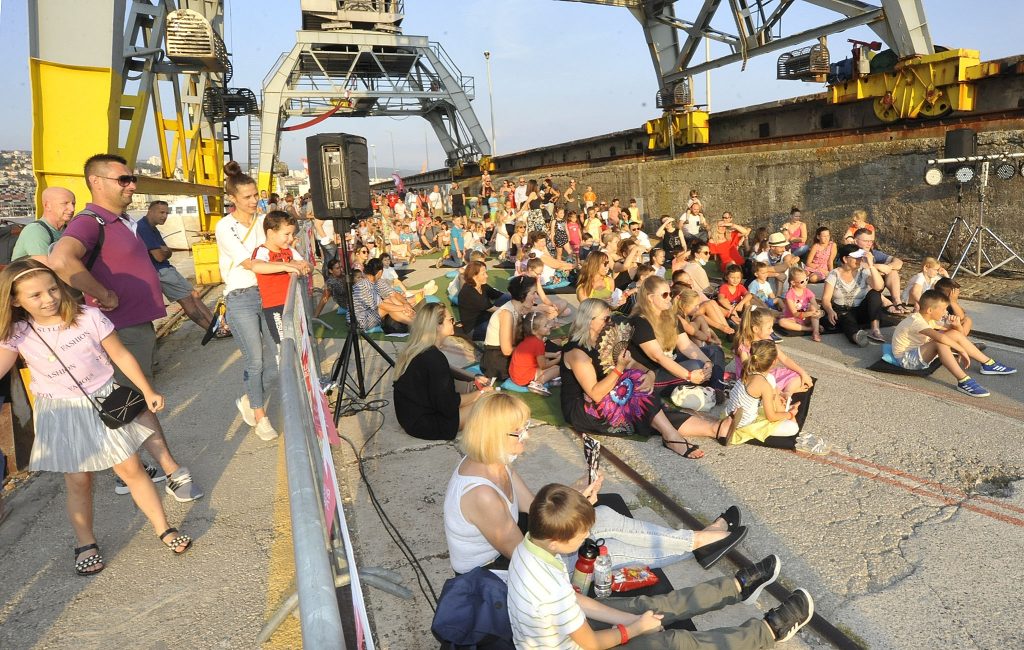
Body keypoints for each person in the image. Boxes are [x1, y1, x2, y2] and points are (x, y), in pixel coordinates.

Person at [0, 261, 194, 575]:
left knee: (131, 469)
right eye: (35, 295)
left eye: (52, 289)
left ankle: (163, 527)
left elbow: (120, 354)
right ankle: (85, 542)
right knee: (78, 480)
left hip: (104, 400)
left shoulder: (88, 317)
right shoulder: (17, 334)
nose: (48, 299)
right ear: (15, 301)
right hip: (61, 412)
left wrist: (146, 390)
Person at [445, 393, 746, 576]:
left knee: (599, 520)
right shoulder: (481, 493)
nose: (526, 435)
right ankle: (699, 544)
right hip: (496, 573)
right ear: (493, 435)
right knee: (603, 552)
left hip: (514, 553)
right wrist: (572, 514)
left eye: (525, 427)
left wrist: (574, 492)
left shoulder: (494, 460)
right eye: (518, 431)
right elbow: (522, 555)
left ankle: (697, 542)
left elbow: (532, 505)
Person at [48, 153, 202, 500]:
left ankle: (128, 468)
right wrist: (102, 292)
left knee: (125, 400)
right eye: (124, 180)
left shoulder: (120, 221)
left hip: (132, 324)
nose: (132, 185)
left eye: (133, 179)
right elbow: (61, 259)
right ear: (96, 182)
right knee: (135, 399)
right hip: (120, 328)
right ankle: (171, 470)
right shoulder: (91, 222)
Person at [507, 483, 815, 649]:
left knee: (647, 605)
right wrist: (635, 629)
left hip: (568, 633)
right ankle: (767, 633)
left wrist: (633, 617)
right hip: (583, 645)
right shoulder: (545, 586)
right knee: (674, 642)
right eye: (581, 536)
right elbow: (591, 644)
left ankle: (735, 589)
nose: (587, 538)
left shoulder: (532, 546)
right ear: (557, 542)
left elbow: (577, 601)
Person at [561, 299, 728, 460]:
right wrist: (620, 368)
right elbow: (595, 393)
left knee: (648, 403)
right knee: (640, 397)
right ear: (590, 321)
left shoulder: (605, 339)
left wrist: (649, 374)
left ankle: (710, 429)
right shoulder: (577, 352)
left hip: (610, 394)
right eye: (606, 318)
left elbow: (632, 362)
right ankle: (689, 434)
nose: (610, 322)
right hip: (585, 409)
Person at [214, 162, 281, 441]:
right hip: (240, 297)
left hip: (267, 293)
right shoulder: (224, 226)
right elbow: (248, 262)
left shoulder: (264, 219)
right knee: (255, 360)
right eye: (247, 197)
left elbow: (280, 246)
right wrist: (287, 267)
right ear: (233, 199)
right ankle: (259, 414)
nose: (254, 200)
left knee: (277, 360)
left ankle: (247, 398)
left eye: (256, 195)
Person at [392, 303, 493, 440]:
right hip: (426, 424)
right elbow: (449, 404)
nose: (453, 323)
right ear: (438, 326)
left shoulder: (418, 349)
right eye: (450, 320)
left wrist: (473, 377)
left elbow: (447, 369)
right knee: (489, 403)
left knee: (472, 393)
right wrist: (480, 394)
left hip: (409, 417)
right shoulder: (434, 358)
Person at [890, 290, 1015, 397]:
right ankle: (963, 380)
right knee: (939, 342)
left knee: (951, 335)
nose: (945, 313)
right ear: (929, 310)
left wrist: (956, 325)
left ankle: (988, 364)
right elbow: (941, 338)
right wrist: (961, 350)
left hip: (919, 353)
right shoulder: (916, 321)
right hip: (906, 359)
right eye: (943, 309)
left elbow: (958, 335)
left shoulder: (929, 319)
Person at [722, 340, 827, 454]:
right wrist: (791, 413)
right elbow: (772, 416)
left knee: (770, 407)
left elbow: (775, 397)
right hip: (742, 424)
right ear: (774, 362)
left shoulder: (748, 370)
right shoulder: (765, 382)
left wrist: (780, 396)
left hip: (727, 413)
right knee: (793, 428)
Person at [629, 276, 725, 390]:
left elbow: (686, 346)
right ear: (650, 298)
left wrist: (708, 363)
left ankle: (717, 389)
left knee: (714, 351)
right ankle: (712, 387)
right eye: (665, 295)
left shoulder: (670, 317)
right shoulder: (640, 321)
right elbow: (658, 357)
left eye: (670, 293)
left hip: (671, 361)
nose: (669, 298)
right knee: (697, 366)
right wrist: (689, 376)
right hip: (652, 374)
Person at [135, 200, 215, 331]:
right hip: (161, 272)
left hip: (167, 269)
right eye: (161, 212)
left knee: (194, 295)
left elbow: (166, 251)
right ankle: (211, 329)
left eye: (166, 213)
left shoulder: (152, 228)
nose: (164, 216)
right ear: (150, 211)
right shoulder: (143, 228)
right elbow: (160, 256)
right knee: (187, 302)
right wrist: (165, 251)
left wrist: (165, 251)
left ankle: (215, 325)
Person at [251, 211, 312, 344]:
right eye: (287, 234)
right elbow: (256, 266)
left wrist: (304, 265)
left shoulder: (289, 250)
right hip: (275, 306)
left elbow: (308, 265)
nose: (291, 238)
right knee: (284, 346)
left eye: (292, 234)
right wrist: (286, 266)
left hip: (295, 304)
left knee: (302, 343)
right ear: (270, 233)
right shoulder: (262, 251)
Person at [821, 244, 886, 347]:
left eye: (861, 258)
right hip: (841, 311)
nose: (859, 260)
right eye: (856, 258)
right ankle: (856, 336)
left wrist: (871, 266)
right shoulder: (834, 274)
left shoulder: (864, 272)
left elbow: (879, 286)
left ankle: (875, 329)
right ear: (845, 259)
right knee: (846, 319)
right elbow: (825, 299)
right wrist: (829, 311)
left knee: (875, 294)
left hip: (860, 311)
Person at [481, 275, 535, 382]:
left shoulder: (518, 308)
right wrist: (530, 350)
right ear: (522, 295)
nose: (536, 297)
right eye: (533, 293)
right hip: (497, 360)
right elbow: (506, 350)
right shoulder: (507, 314)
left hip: (506, 354)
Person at [352, 257, 414, 333]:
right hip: (358, 321)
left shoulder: (377, 281)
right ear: (380, 272)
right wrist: (404, 307)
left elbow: (393, 294)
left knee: (390, 299)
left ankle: (413, 318)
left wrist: (406, 304)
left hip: (368, 313)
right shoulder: (365, 285)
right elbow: (382, 306)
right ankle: (415, 324)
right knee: (388, 306)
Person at [852, 227, 908, 312]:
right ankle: (886, 303)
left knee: (892, 272)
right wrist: (877, 267)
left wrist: (889, 267)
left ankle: (897, 301)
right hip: (858, 286)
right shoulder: (850, 253)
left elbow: (899, 262)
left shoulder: (873, 252)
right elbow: (856, 268)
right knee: (866, 275)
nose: (869, 244)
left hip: (875, 285)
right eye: (866, 241)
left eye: (871, 241)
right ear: (856, 241)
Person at [12, 186, 75, 260]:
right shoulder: (35, 230)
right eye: (65, 203)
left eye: (73, 203)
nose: (72, 209)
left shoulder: (67, 230)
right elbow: (44, 266)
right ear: (47, 206)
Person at [509, 312, 561, 395]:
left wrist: (554, 355)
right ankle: (538, 383)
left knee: (549, 362)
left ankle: (548, 379)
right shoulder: (538, 343)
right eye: (545, 326)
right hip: (523, 378)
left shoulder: (530, 338)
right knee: (558, 369)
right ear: (534, 331)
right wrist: (558, 359)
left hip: (515, 375)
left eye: (547, 323)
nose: (549, 326)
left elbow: (539, 354)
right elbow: (543, 366)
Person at [458, 261, 505, 340]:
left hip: (486, 318)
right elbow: (493, 309)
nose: (486, 276)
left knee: (505, 298)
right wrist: (516, 310)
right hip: (475, 328)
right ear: (474, 276)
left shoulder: (482, 285)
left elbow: (500, 295)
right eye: (483, 274)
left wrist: (518, 297)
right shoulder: (469, 292)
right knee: (505, 327)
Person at [779, 267, 822, 341]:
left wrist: (816, 311)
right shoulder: (790, 294)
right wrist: (811, 313)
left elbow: (814, 303)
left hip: (805, 317)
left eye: (806, 279)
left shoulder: (807, 291)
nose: (805, 282)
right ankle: (810, 329)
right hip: (793, 319)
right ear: (793, 283)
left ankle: (816, 332)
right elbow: (795, 313)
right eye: (802, 281)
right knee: (782, 322)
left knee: (813, 307)